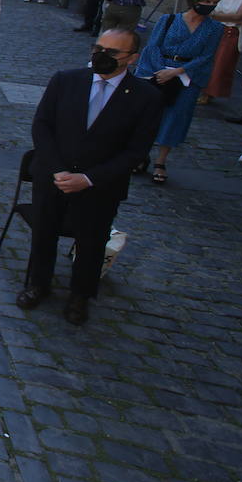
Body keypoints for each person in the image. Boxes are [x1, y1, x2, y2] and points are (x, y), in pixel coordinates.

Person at [18, 29, 161, 325]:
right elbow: (42, 126)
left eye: (112, 52)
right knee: (44, 233)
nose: (101, 56)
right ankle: (38, 285)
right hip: (53, 177)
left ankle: (80, 296)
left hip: (100, 186)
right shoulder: (66, 80)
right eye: (98, 48)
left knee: (92, 242)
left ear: (132, 59)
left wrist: (88, 178)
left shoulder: (146, 97)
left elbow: (136, 151)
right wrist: (57, 169)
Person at [134, 0, 224, 185]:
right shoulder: (169, 20)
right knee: (149, 115)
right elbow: (153, 45)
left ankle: (161, 162)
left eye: (214, 3)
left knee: (177, 117)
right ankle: (141, 154)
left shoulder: (215, 28)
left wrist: (177, 72)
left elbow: (207, 56)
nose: (210, 5)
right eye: (207, 1)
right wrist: (161, 71)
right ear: (195, 0)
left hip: (187, 75)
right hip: (158, 70)